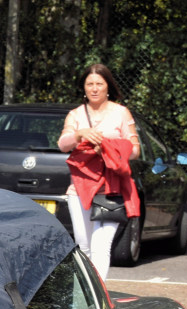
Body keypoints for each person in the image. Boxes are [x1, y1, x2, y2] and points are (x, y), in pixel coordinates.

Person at [57, 63, 141, 280]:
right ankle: (87, 296)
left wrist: (108, 146)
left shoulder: (121, 113)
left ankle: (98, 299)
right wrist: (79, 135)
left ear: (108, 87)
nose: (94, 89)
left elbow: (135, 150)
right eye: (89, 84)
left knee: (101, 245)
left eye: (99, 84)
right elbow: (63, 144)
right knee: (84, 246)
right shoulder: (75, 115)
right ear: (84, 88)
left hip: (110, 189)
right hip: (79, 189)